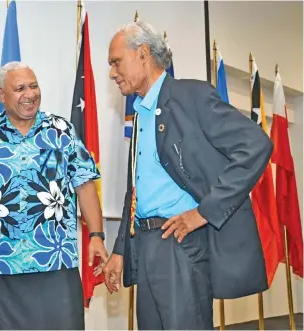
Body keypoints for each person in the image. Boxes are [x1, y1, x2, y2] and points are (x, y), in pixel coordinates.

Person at [102, 21, 272, 329]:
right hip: (145, 245)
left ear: (142, 54)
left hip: (181, 245)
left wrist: (205, 212)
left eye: (116, 62)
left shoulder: (191, 96)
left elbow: (256, 145)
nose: (112, 72)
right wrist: (120, 251)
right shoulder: (140, 113)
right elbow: (135, 190)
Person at [0, 61, 108, 330]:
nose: (30, 94)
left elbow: (84, 184)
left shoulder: (61, 131)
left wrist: (96, 236)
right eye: (20, 88)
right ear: (1, 95)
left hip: (56, 263)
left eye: (33, 86)